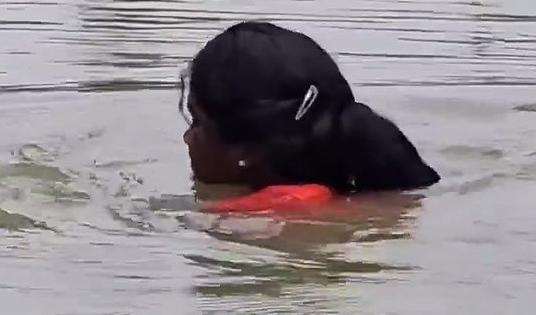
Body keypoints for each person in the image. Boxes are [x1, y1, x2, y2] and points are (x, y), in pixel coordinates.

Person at [180, 21, 440, 213]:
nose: (187, 137)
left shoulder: (259, 219)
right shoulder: (381, 196)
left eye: (197, 121)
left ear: (245, 151)